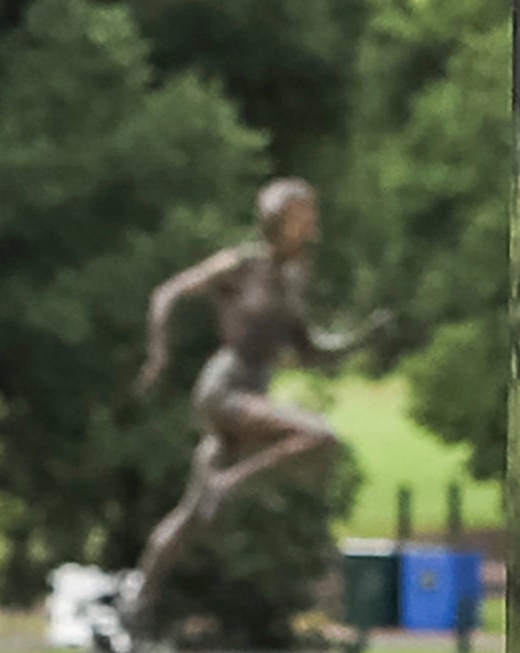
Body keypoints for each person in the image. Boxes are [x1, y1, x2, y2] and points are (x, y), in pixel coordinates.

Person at [131, 179, 367, 613]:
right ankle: (229, 485)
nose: (312, 225)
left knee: (189, 517)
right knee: (320, 437)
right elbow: (165, 294)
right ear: (279, 221)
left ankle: (138, 603)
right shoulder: (241, 265)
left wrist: (361, 339)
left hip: (251, 392)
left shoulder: (293, 279)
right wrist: (158, 355)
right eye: (303, 216)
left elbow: (310, 349)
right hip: (223, 390)